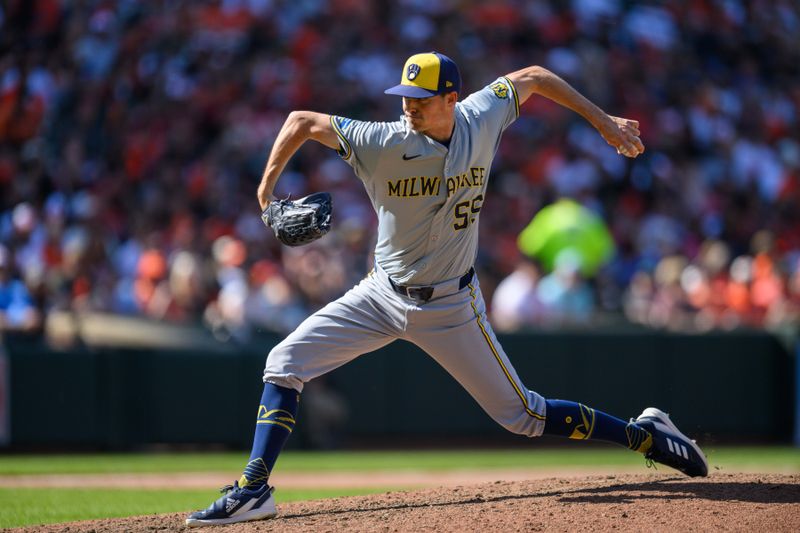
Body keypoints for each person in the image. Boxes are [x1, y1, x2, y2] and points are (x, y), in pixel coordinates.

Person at [186, 52, 708, 527]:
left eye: (420, 98)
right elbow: (300, 121)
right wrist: (265, 194)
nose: (408, 107)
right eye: (405, 97)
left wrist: (604, 122)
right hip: (380, 295)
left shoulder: (482, 116)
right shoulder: (381, 140)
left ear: (451, 98)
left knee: (525, 416)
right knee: (283, 362)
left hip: (453, 305)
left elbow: (533, 77)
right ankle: (254, 489)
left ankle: (647, 434)